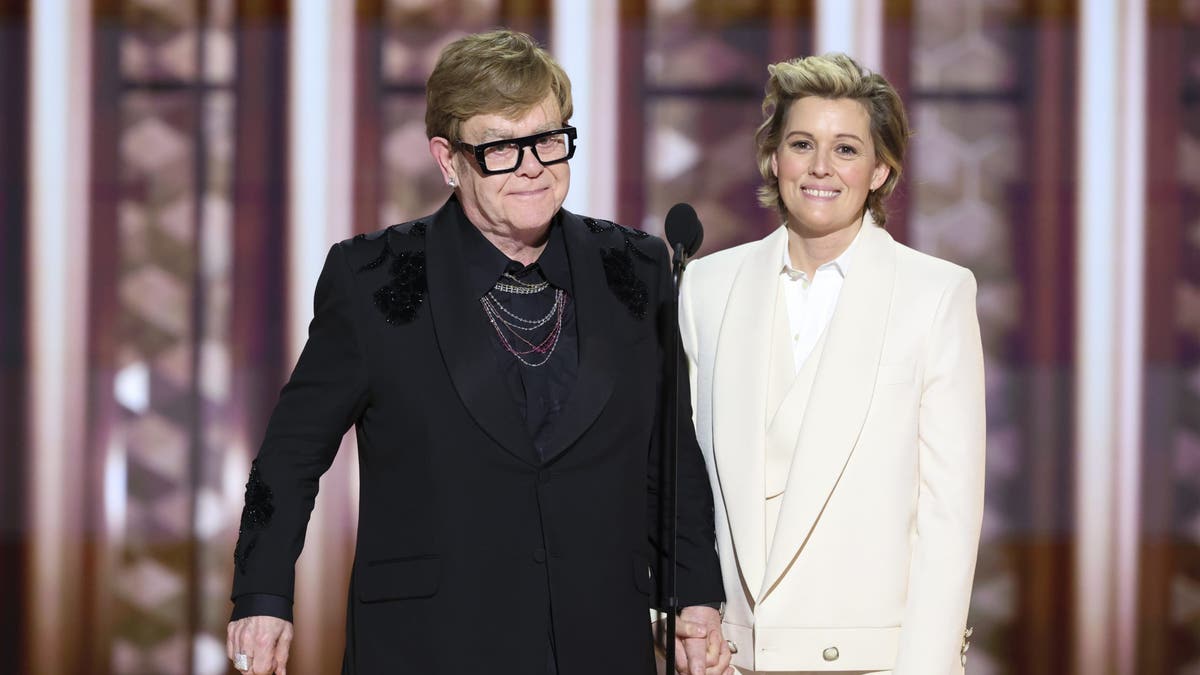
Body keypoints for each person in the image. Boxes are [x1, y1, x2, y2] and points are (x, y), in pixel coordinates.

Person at [225, 29, 732, 675]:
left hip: (599, 635)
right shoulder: (375, 277)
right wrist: (262, 594)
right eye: (500, 146)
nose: (531, 166)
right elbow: (291, 455)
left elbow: (671, 453)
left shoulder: (634, 267)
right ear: (448, 159)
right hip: (430, 639)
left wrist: (695, 595)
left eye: (548, 139)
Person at [678, 53, 986, 674]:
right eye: (802, 143)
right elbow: (683, 478)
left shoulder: (935, 294)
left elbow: (948, 516)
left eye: (846, 148)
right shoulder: (705, 287)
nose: (821, 167)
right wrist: (683, 618)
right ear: (772, 158)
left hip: (871, 661)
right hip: (730, 660)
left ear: (881, 170)